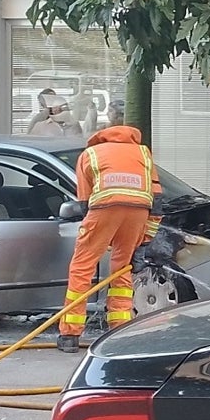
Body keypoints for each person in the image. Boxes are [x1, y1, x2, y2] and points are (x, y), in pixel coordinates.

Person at [57, 124, 163, 353]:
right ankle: (119, 328)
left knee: (82, 267)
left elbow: (84, 202)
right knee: (122, 268)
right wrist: (144, 243)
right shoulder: (143, 153)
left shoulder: (90, 154)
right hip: (138, 212)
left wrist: (97, 232)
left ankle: (70, 335)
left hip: (104, 209)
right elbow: (158, 202)